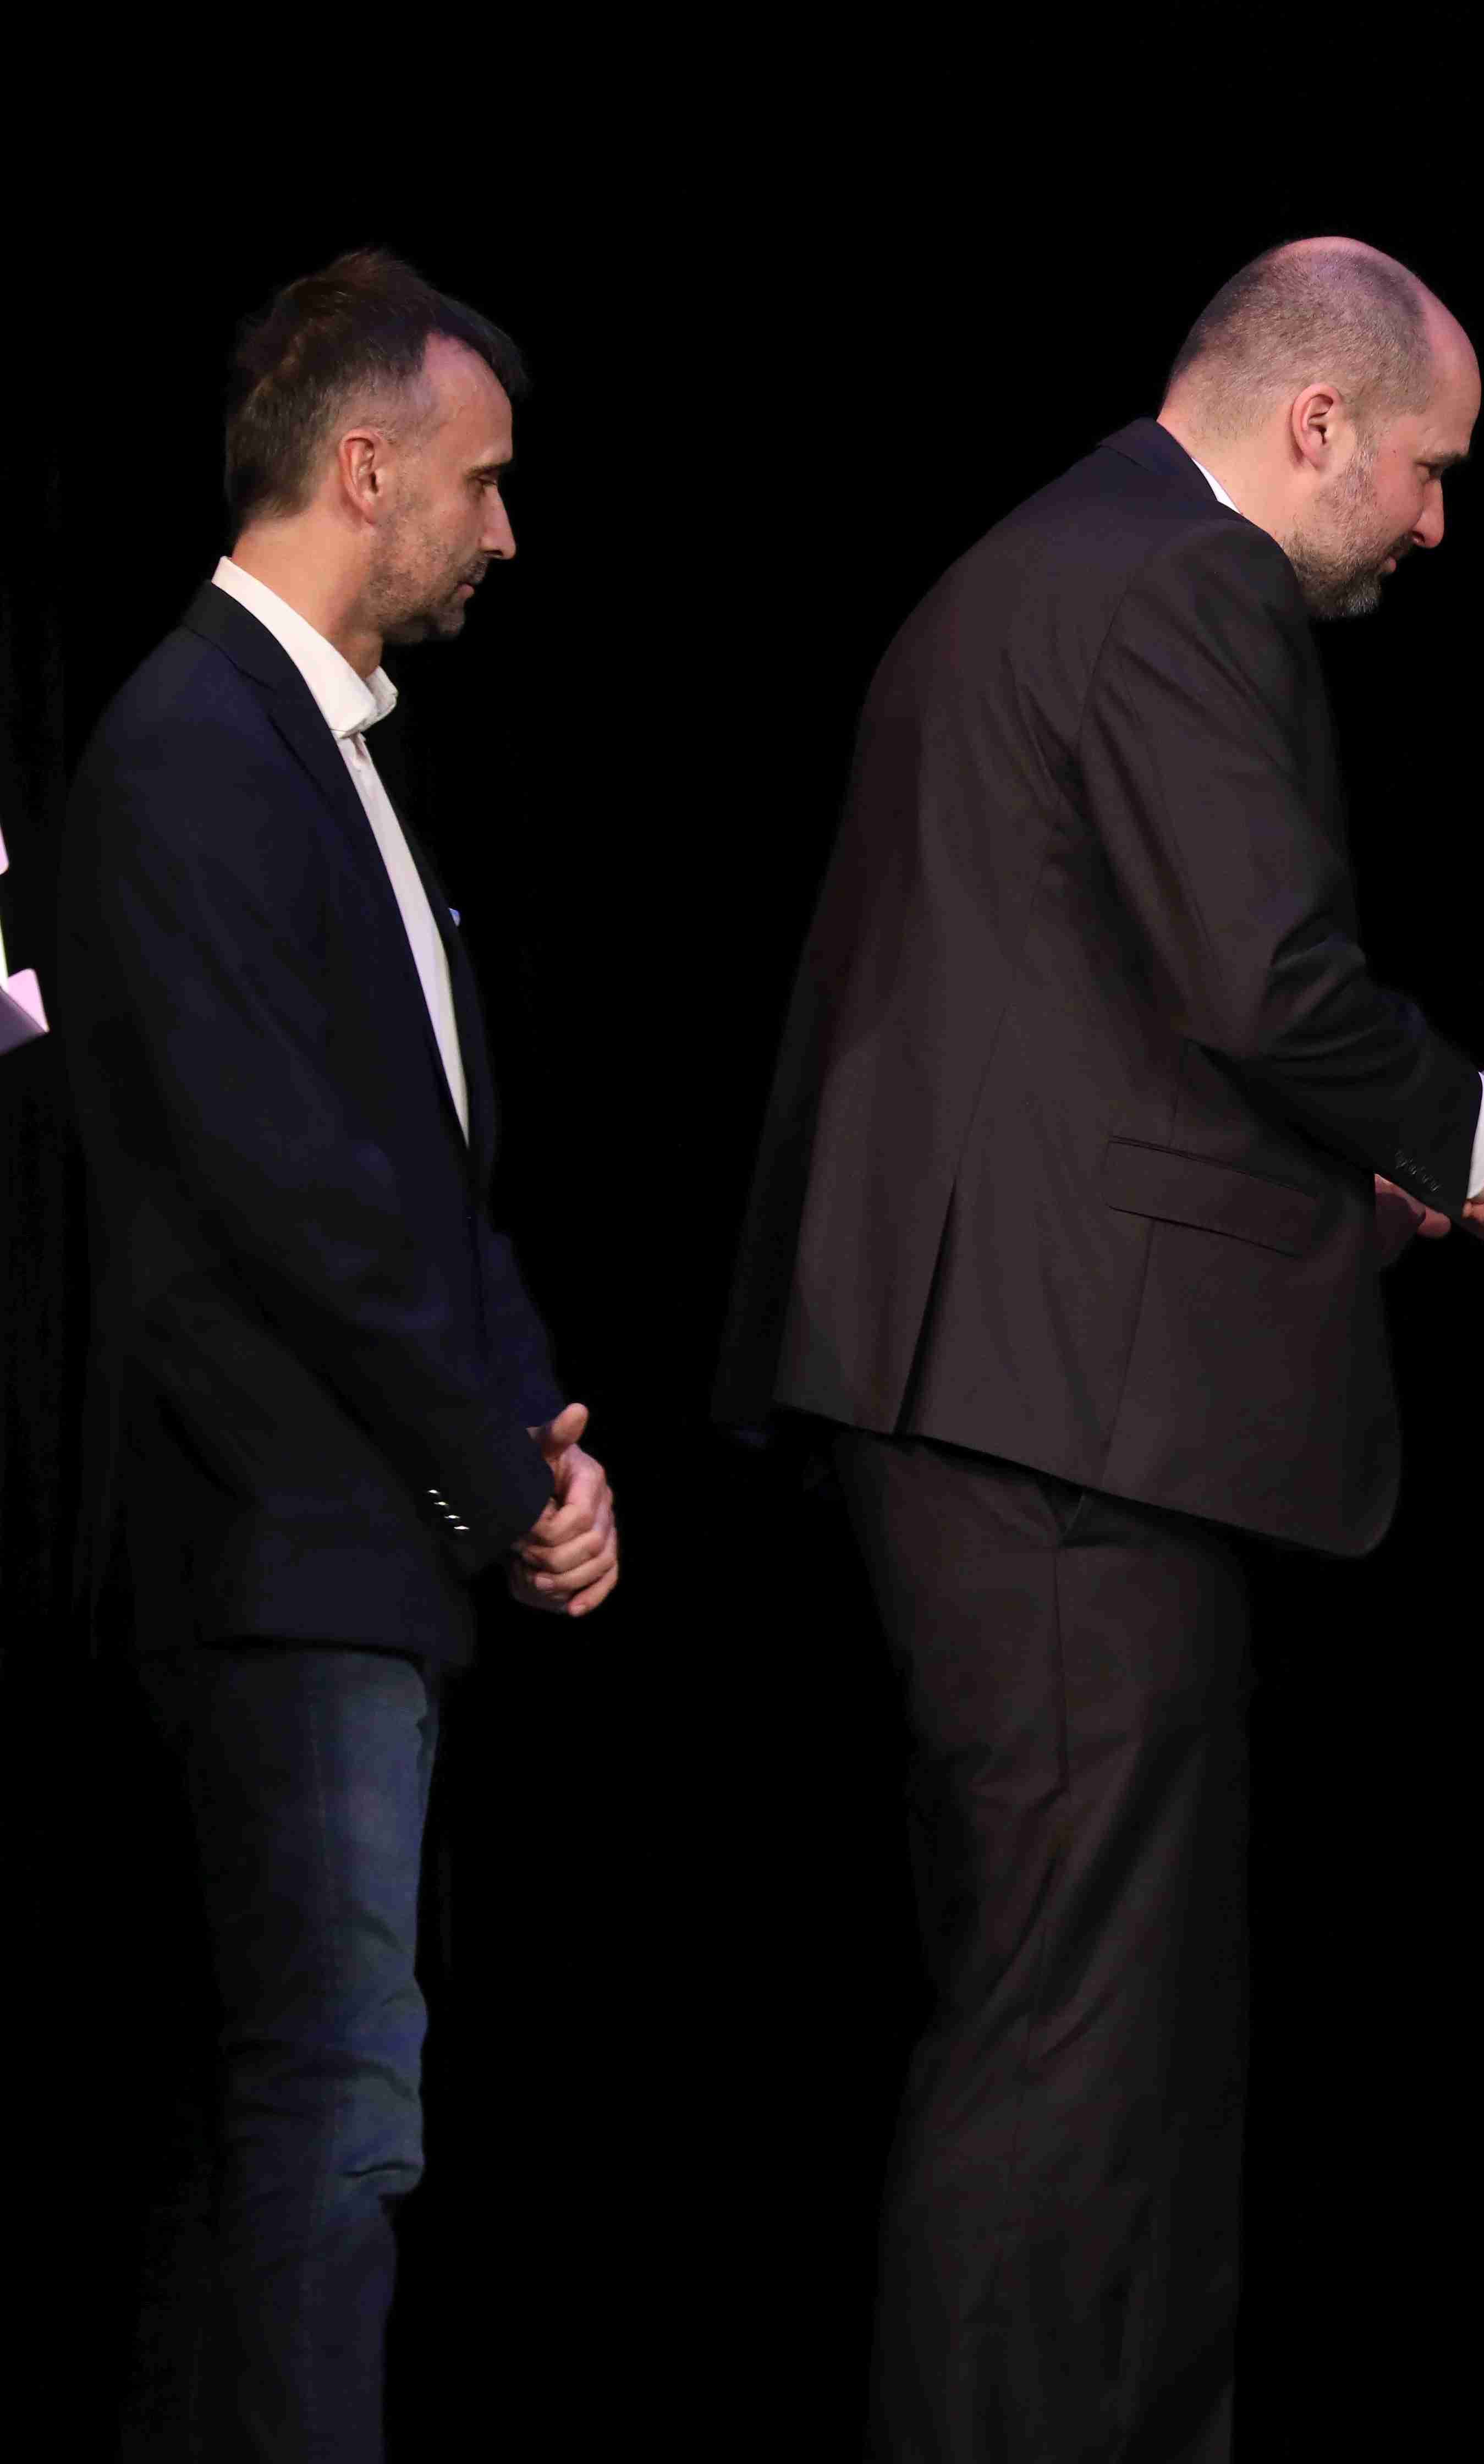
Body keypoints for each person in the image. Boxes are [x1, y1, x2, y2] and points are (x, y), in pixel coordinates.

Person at [716, 235, 1484, 2461]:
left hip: (998, 1384)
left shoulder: (1033, 563)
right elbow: (1266, 981)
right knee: (1079, 2034)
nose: (1436, 523)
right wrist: (1483, 1138)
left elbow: (1072, 1028)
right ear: (1319, 420)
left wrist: (1344, 1194)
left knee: (1091, 2018)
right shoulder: (1184, 580)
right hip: (1057, 1416)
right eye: (1430, 467)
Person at [57, 246, 619, 2460]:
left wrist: (546, 1441)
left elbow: (430, 1171)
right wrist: (497, 1474)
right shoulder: (195, 745)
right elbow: (292, 1196)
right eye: (481, 482)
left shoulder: (323, 748)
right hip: (285, 1549)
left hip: (375, 1543)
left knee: (325, 2111)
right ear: (365, 468)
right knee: (331, 2112)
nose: (506, 530)